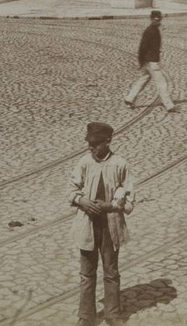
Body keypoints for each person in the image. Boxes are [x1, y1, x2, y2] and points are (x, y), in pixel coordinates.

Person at [69, 122, 134, 326]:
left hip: (110, 226)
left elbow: (130, 200)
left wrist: (111, 205)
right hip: (87, 226)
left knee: (111, 272)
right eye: (89, 144)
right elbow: (71, 190)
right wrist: (82, 201)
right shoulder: (84, 162)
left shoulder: (120, 164)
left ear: (108, 141)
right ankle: (86, 317)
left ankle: (113, 315)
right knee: (87, 274)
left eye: (96, 144)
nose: (91, 148)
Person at [125, 10, 177, 113]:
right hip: (152, 62)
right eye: (155, 19)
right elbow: (142, 47)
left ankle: (129, 99)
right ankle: (169, 105)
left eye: (158, 19)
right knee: (162, 83)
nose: (157, 21)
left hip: (149, 61)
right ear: (151, 19)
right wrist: (141, 61)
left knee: (143, 80)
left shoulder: (154, 29)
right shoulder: (150, 31)